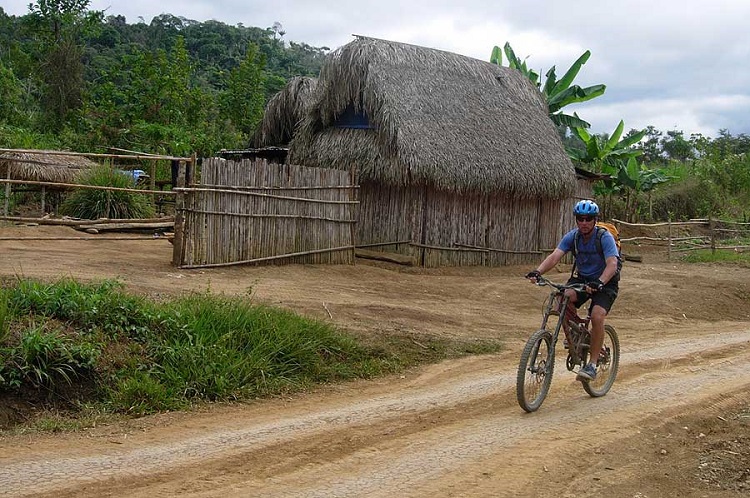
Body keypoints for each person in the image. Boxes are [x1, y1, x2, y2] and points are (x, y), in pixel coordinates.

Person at [524, 199, 620, 382]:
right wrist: (538, 272)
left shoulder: (604, 237)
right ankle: (576, 334)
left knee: (598, 316)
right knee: (563, 298)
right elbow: (555, 256)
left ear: (594, 220)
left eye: (588, 219)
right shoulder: (573, 237)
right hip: (582, 279)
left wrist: (599, 282)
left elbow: (612, 264)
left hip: (605, 282)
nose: (584, 223)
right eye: (580, 219)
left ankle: (591, 364)